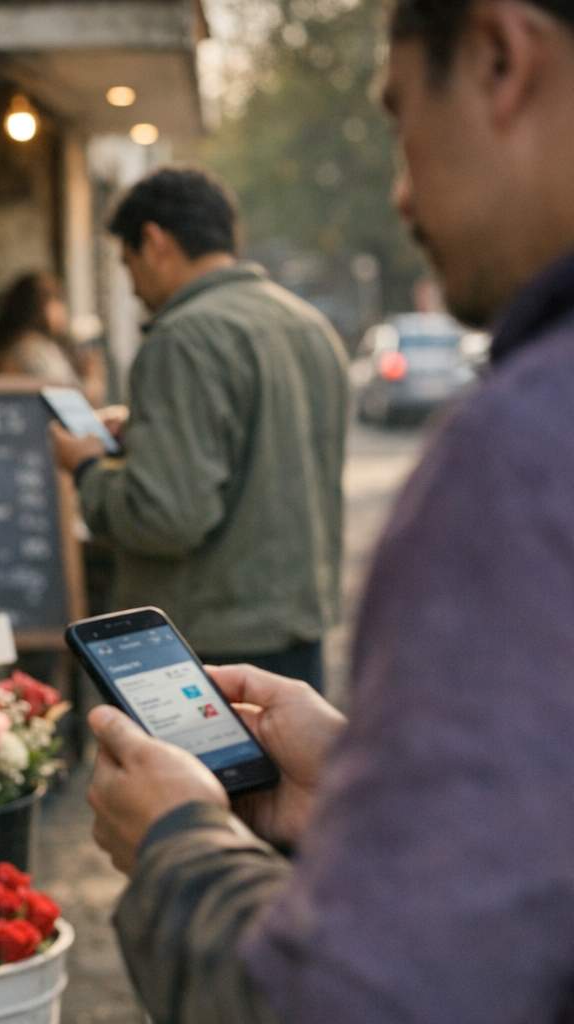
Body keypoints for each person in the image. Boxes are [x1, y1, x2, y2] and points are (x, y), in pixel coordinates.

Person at [77, 1, 574, 1020]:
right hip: (295, 621)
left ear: (499, 59)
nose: (400, 193)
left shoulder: (526, 444)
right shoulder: (305, 323)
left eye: (401, 118)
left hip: (213, 625)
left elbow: (369, 992)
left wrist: (178, 848)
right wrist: (364, 780)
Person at [50, 168, 348, 691]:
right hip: (298, 632)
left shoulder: (183, 336)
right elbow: (264, 450)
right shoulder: (308, 324)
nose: (132, 287)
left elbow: (166, 516)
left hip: (207, 648)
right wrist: (143, 433)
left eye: (127, 264)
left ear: (154, 242)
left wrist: (87, 466)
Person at [0, 273, 107, 405]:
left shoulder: (37, 346)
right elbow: (70, 401)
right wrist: (93, 376)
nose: (62, 309)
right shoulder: (30, 350)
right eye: (57, 299)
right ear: (37, 306)